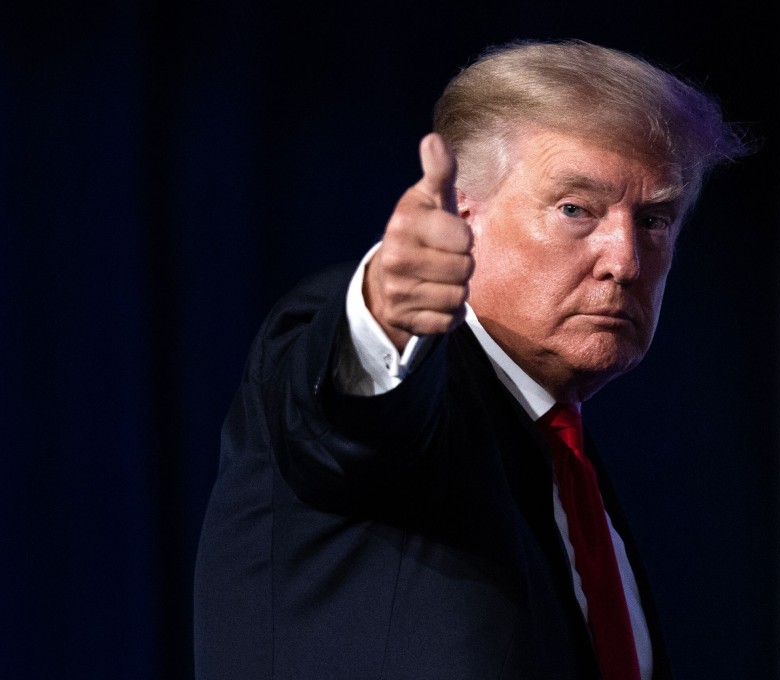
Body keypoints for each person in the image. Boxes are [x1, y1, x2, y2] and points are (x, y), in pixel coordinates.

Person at [194, 40, 744, 680]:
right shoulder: (405, 387)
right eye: (575, 209)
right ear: (462, 214)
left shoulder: (564, 460)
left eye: (653, 219)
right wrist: (385, 315)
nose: (624, 260)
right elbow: (346, 422)